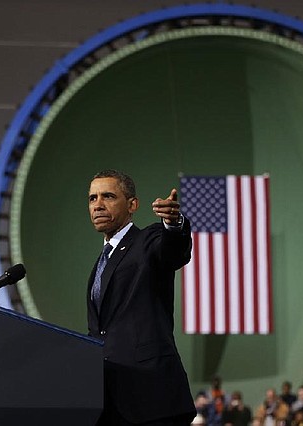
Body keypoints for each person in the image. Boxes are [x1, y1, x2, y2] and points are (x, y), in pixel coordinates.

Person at [86, 169, 195, 425]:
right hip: (108, 401)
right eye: (92, 198)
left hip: (150, 395)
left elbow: (173, 252)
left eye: (108, 196)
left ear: (132, 205)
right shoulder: (101, 262)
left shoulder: (148, 240)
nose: (98, 205)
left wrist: (174, 224)